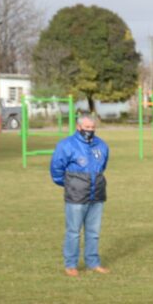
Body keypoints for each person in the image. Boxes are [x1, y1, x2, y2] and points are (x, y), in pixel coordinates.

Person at [49, 114, 110, 277]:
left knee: (93, 232)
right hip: (76, 195)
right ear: (78, 127)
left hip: (96, 194)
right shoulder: (66, 145)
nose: (90, 131)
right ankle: (71, 265)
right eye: (87, 128)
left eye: (92, 128)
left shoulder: (102, 145)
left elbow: (103, 166)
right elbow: (56, 169)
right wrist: (70, 184)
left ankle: (93, 262)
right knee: (74, 231)